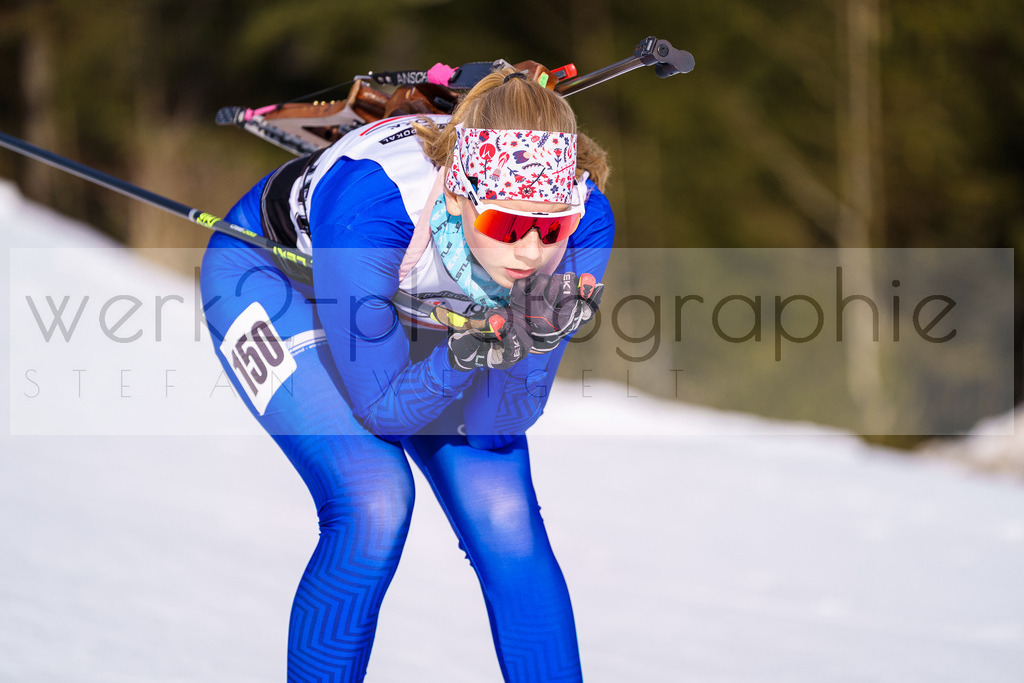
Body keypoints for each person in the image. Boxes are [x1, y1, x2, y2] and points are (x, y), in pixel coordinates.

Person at [199, 67, 614, 683]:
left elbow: (500, 427)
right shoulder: (372, 205)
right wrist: (464, 355)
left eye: (548, 226)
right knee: (373, 498)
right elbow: (385, 409)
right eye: (506, 224)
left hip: (417, 302)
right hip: (275, 278)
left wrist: (524, 348)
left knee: (504, 514)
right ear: (456, 195)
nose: (531, 250)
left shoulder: (585, 223)